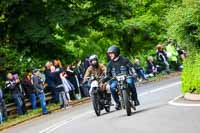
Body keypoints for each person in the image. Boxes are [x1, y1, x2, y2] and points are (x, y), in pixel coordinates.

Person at [103, 45, 140, 110]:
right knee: (112, 87)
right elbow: (108, 74)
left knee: (130, 82)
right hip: (116, 79)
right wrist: (105, 79)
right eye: (109, 54)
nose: (110, 55)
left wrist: (134, 73)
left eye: (111, 54)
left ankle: (135, 99)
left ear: (116, 52)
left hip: (127, 77)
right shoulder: (109, 64)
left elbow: (131, 67)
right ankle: (117, 103)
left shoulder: (125, 60)